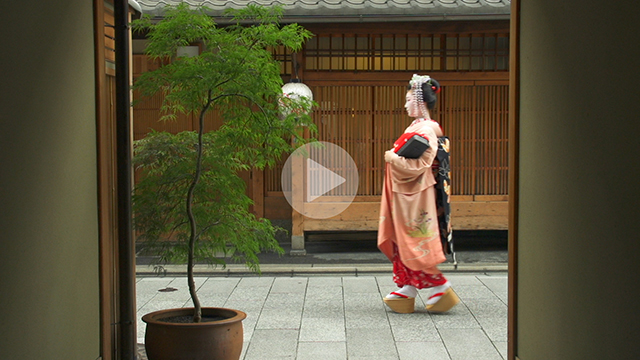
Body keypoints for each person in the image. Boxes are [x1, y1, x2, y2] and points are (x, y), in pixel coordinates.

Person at [378, 74, 458, 314]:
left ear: (420, 101)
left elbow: (422, 163)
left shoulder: (427, 129)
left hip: (414, 193)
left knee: (414, 239)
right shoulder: (418, 127)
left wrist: (393, 157)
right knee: (406, 238)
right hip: (407, 192)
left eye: (408, 99)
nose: (405, 104)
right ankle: (407, 289)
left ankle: (440, 286)